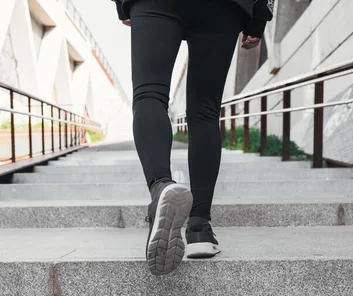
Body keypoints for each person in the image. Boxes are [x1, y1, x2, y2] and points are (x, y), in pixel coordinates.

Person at [113, 0, 274, 275]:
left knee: (149, 95)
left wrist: (121, 4)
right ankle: (199, 229)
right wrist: (258, 16)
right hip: (224, 8)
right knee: (205, 114)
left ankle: (161, 186)